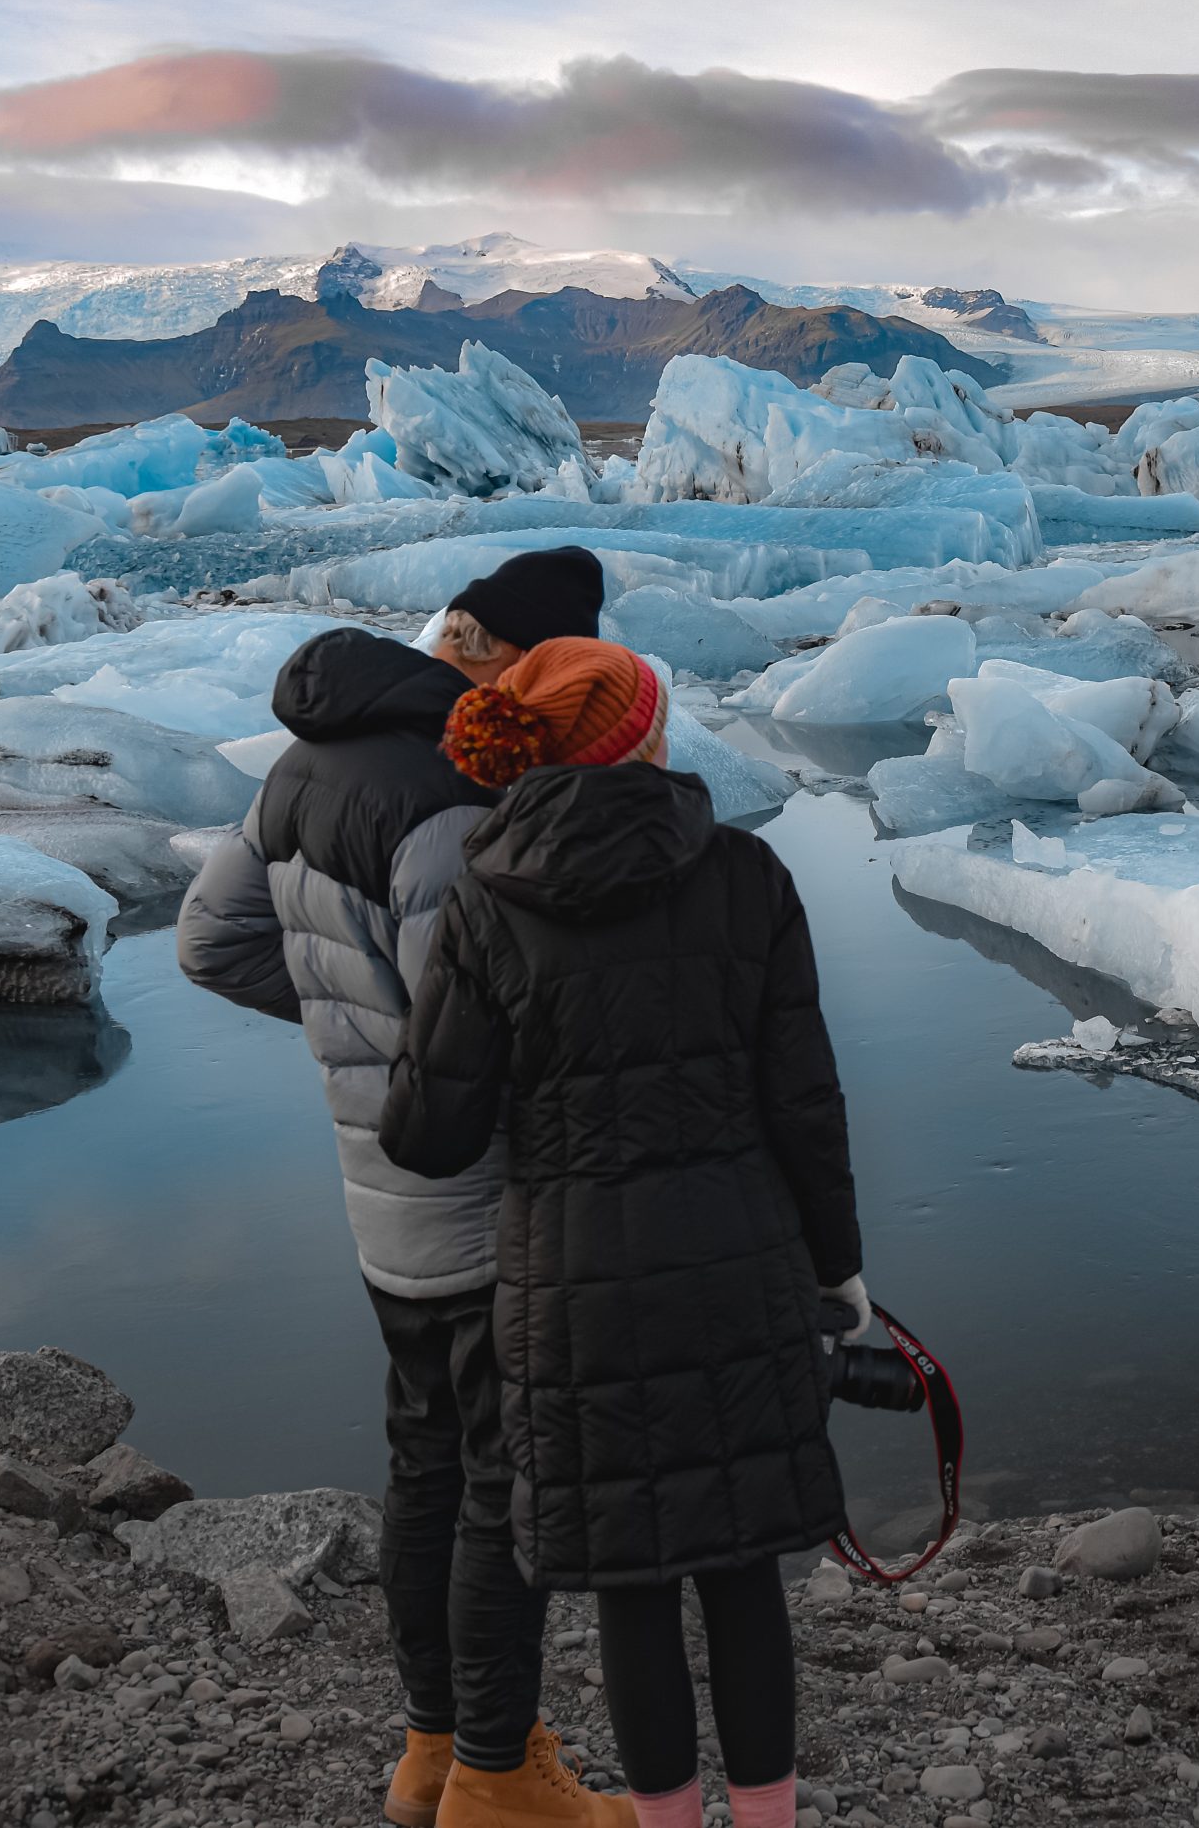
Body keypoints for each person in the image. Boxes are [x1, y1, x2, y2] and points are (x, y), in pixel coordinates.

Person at [177, 547, 634, 1828]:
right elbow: (477, 1017)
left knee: (427, 1466)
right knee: (502, 1485)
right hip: (479, 1195)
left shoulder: (302, 763)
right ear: (486, 648)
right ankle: (498, 1775)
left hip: (374, 1182)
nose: (548, 696)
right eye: (544, 664)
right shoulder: (448, 794)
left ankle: (432, 1753)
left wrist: (354, 1028)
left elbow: (209, 943)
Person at [378, 638, 863, 1828]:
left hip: (573, 1286)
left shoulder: (488, 897)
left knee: (631, 1585)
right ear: (646, 736)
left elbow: (429, 1135)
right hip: (740, 1265)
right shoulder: (746, 874)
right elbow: (804, 1099)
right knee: (743, 1573)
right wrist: (838, 1266)